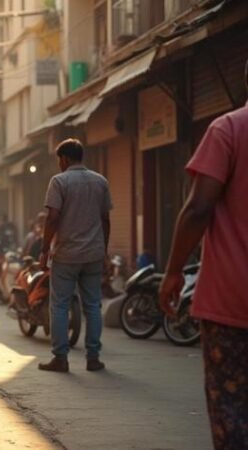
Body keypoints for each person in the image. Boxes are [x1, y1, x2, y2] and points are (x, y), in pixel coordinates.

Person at [158, 62, 248, 449]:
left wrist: (174, 271)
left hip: (231, 303)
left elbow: (198, 209)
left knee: (231, 410)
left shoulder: (229, 129)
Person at [38, 138, 112, 373]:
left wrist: (44, 249)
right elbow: (105, 220)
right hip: (93, 255)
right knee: (92, 306)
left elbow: (52, 218)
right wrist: (104, 252)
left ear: (65, 159)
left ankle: (61, 358)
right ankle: (93, 358)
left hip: (66, 254)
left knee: (59, 305)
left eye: (59, 159)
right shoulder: (100, 181)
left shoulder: (59, 181)